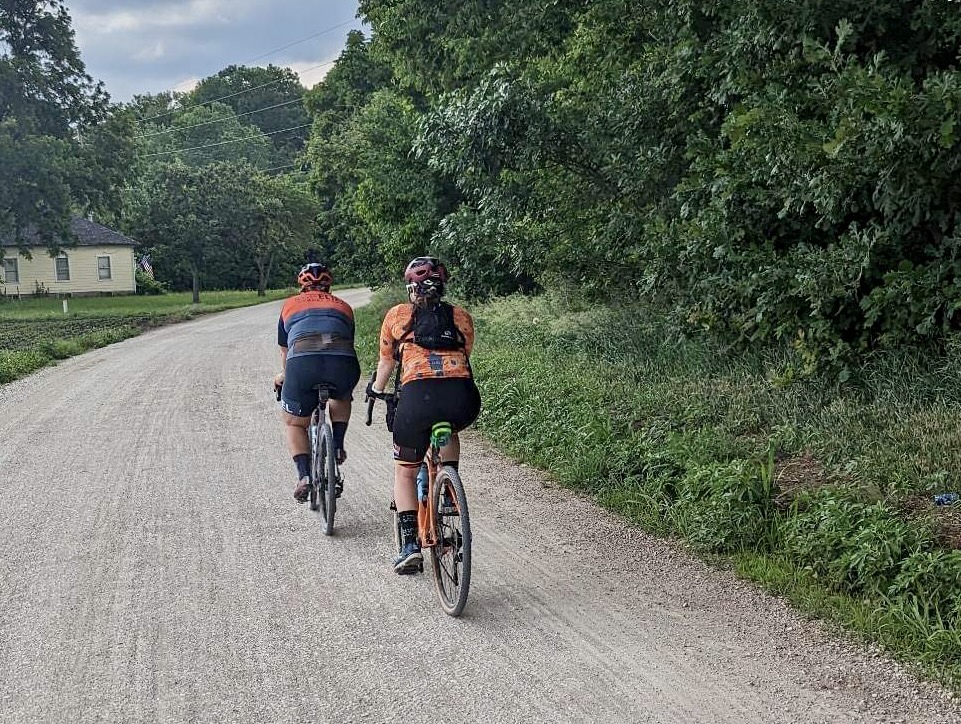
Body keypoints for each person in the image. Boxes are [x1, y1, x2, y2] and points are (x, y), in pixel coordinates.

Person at [368, 256, 481, 574]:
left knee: (405, 471)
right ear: (442, 287)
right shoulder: (460, 316)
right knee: (450, 429)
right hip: (462, 399)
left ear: (411, 288)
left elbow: (387, 363)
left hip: (418, 399)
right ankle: (449, 490)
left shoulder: (397, 316)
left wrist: (376, 389)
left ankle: (409, 546)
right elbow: (464, 353)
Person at [275, 262, 360, 503]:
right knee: (341, 396)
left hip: (302, 363)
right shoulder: (344, 306)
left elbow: (285, 351)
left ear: (301, 286)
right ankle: (337, 445)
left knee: (294, 423)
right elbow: (347, 340)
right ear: (329, 286)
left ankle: (304, 476)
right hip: (342, 362)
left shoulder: (289, 305)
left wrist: (284, 376)